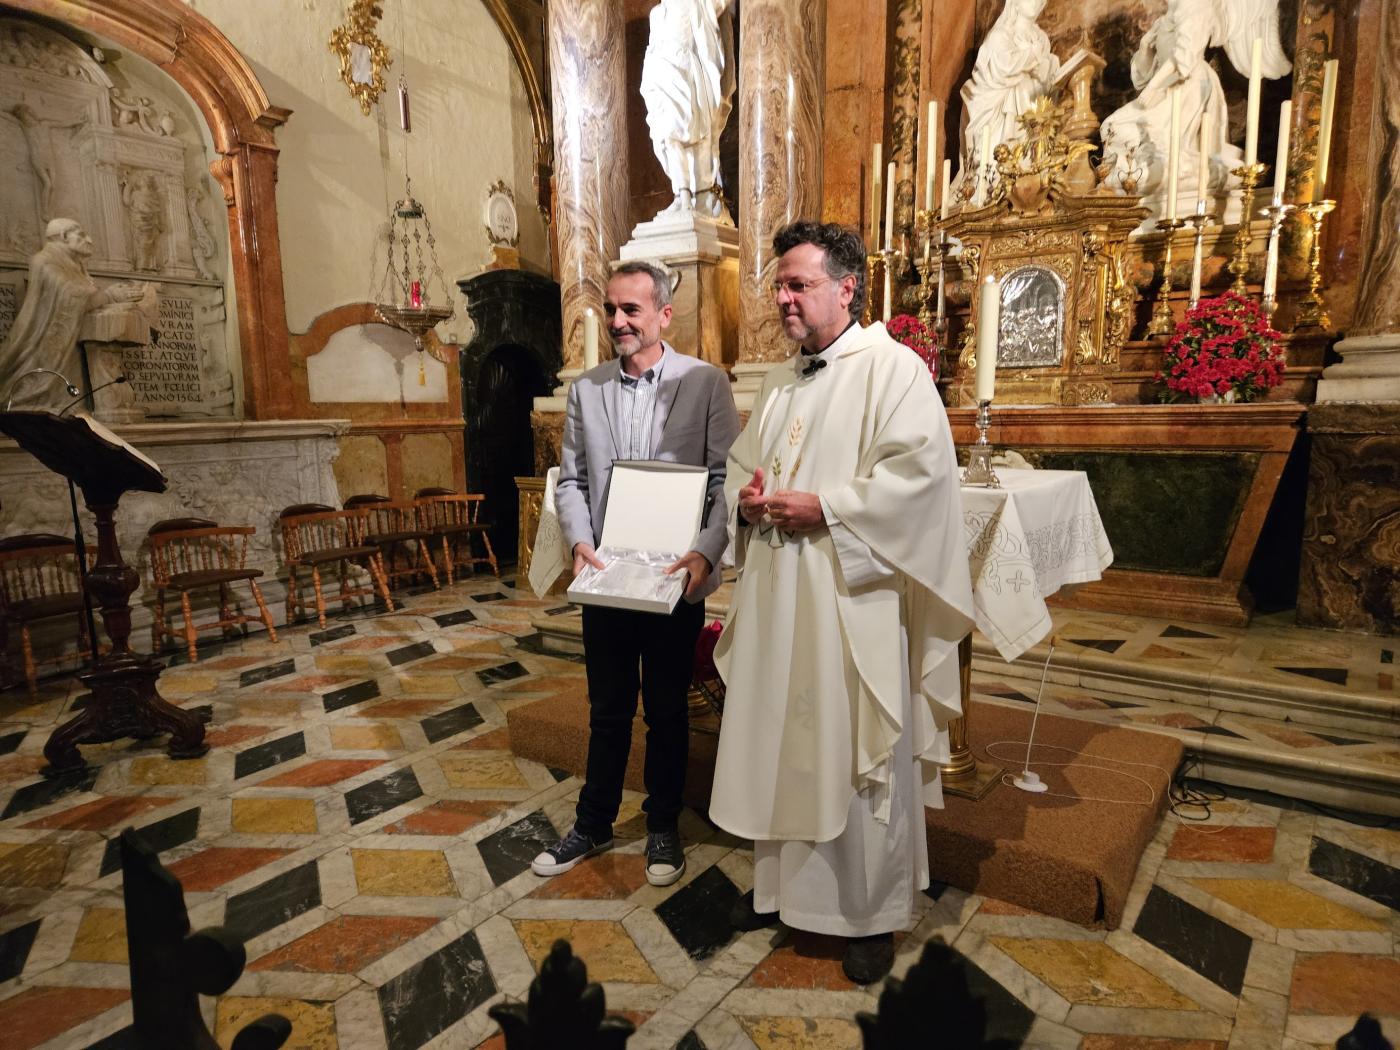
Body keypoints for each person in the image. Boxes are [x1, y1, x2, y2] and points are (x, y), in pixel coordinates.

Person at [710, 221, 975, 985]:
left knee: (850, 750)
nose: (783, 300)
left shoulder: (893, 371)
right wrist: (750, 498)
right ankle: (779, 892)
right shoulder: (783, 380)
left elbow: (922, 482)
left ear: (847, 287)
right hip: (779, 597)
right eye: (781, 286)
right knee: (778, 745)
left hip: (849, 601)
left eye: (799, 285)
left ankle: (865, 914)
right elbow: (741, 466)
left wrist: (827, 508)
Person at [532, 260, 740, 887]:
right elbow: (572, 480)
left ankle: (662, 827)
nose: (619, 322)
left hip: (676, 577)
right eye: (612, 311)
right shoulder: (588, 388)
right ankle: (592, 822)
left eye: (631, 311)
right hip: (608, 577)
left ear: (663, 315)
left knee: (669, 710)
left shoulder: (706, 383)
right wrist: (579, 542)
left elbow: (724, 480)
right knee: (608, 709)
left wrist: (704, 552)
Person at [1, 218, 144, 410]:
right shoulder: (44, 260)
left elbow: (87, 295)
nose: (90, 240)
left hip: (75, 343)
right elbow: (71, 297)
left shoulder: (75, 265)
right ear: (64, 236)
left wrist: (110, 295)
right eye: (81, 234)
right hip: (47, 345)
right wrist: (110, 295)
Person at [639, 0, 736, 222]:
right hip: (661, 75)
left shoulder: (692, 3)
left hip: (684, 74)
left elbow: (720, 5)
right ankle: (681, 194)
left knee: (688, 135)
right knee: (665, 137)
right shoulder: (656, 13)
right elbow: (652, 48)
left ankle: (692, 195)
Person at [954, 0, 1057, 197]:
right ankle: (994, 181)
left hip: (1031, 109)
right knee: (1018, 90)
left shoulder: (1041, 39)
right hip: (999, 105)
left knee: (1028, 94)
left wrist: (1047, 68)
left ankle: (1027, 174)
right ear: (1015, 3)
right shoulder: (1001, 35)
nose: (1036, 2)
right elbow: (1004, 67)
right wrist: (1034, 61)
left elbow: (1046, 76)